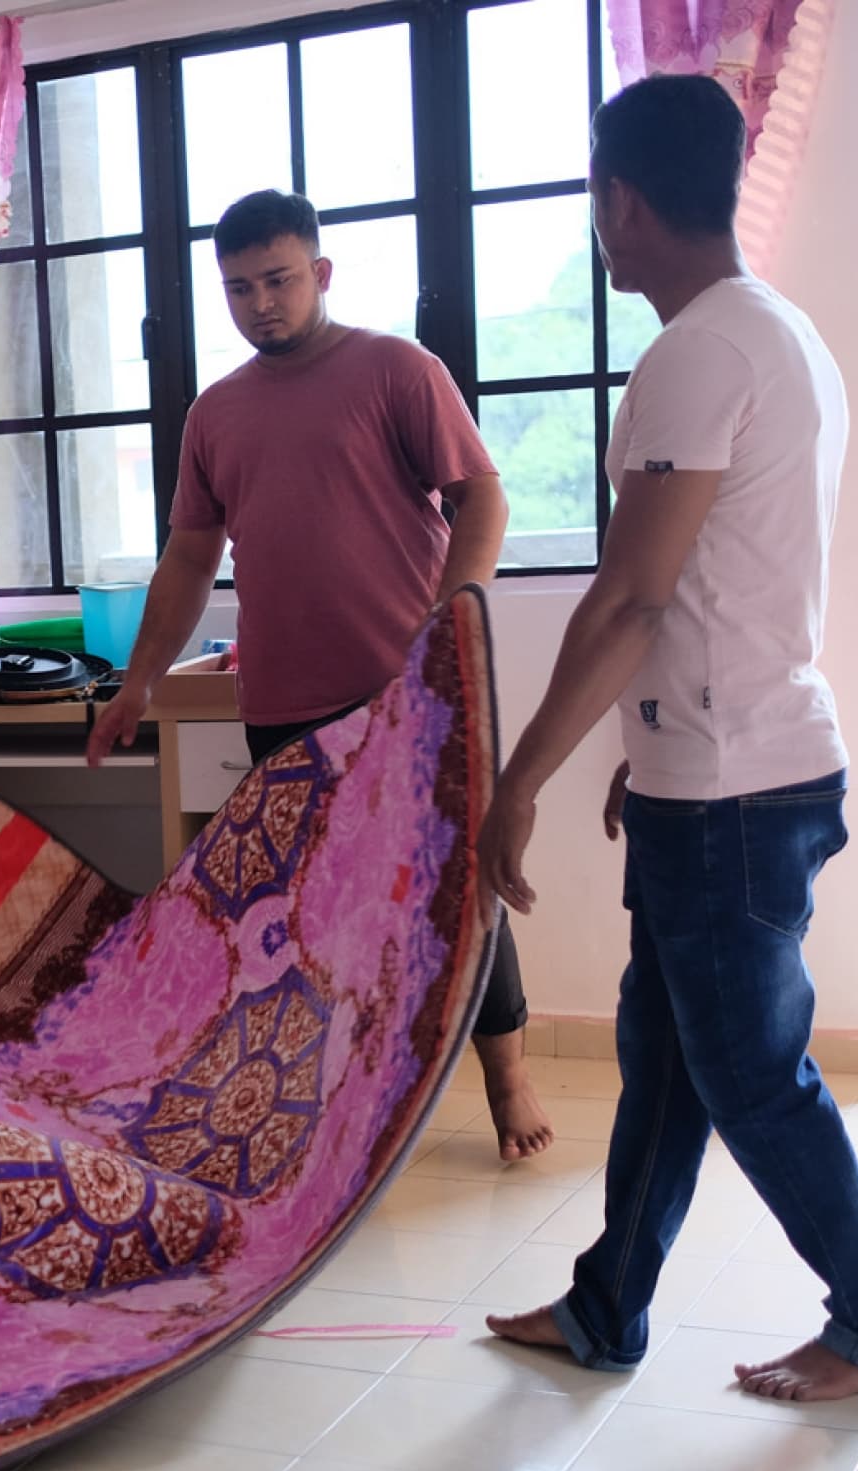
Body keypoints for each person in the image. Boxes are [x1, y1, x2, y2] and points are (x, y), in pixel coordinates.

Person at [481, 76, 858, 1400]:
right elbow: (729, 579)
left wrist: (520, 783)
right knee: (669, 1062)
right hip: (724, 769)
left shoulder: (699, 352)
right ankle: (606, 1303)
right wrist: (648, 742)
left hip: (736, 789)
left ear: (623, 199)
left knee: (748, 1074)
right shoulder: (773, 333)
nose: (598, 230)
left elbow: (634, 592)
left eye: (596, 203)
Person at [86, 189, 555, 1162]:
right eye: (240, 287)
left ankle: (507, 1078)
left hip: (410, 697)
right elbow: (184, 563)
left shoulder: (395, 370)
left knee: (454, 892)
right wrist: (137, 684)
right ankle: (349, 1095)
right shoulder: (214, 415)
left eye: (280, 279)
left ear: (321, 273)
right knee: (311, 912)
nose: (261, 302)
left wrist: (452, 619)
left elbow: (483, 497)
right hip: (284, 706)